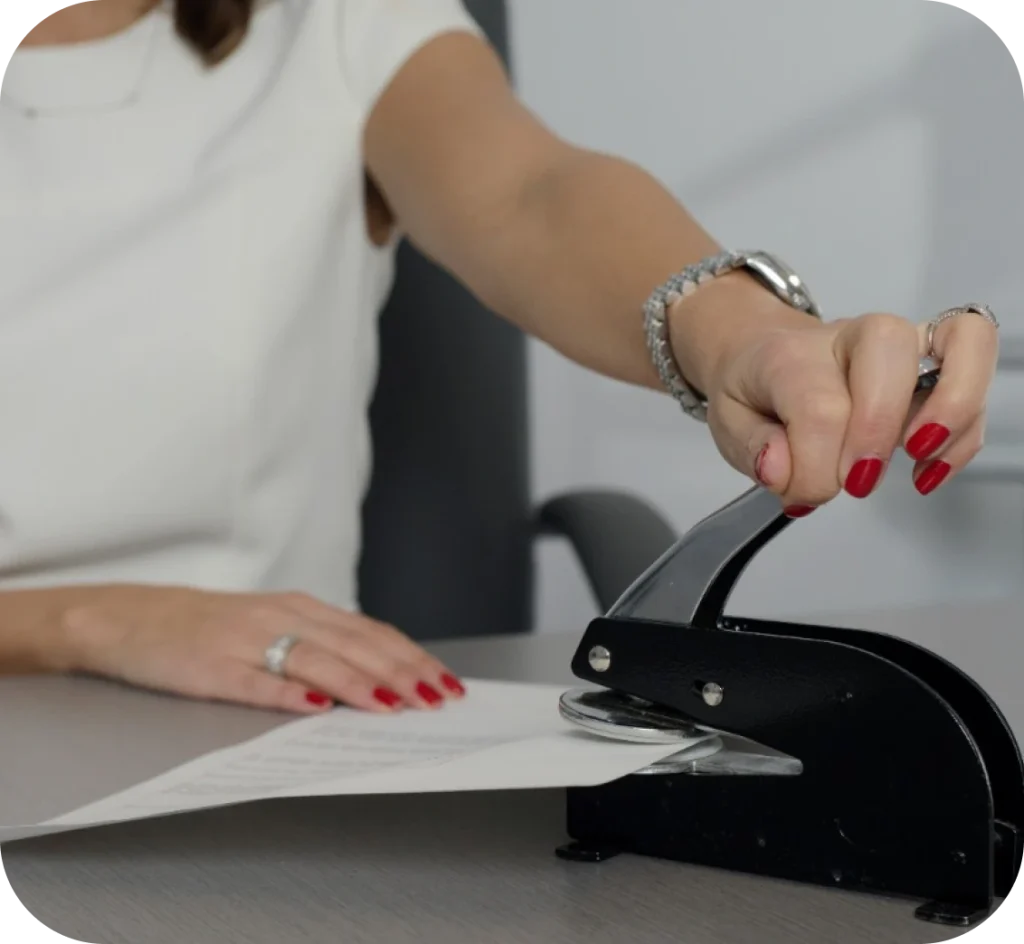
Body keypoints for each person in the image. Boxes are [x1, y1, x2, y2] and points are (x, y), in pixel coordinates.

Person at [0, 0, 998, 715]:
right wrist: (88, 620)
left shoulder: (333, 25)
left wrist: (749, 336)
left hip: (273, 732)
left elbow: (530, 193)